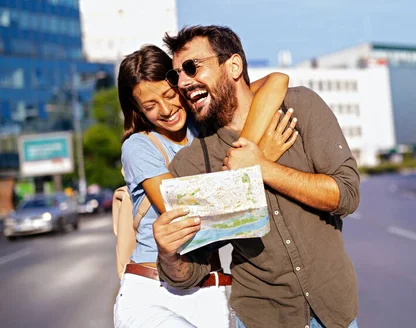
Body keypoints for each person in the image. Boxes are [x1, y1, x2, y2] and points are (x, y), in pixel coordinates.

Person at [153, 25, 360, 328]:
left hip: (334, 310)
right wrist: (169, 254)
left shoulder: (300, 106)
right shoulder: (191, 165)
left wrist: (263, 168)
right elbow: (191, 272)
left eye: (191, 67)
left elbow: (347, 195)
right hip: (262, 318)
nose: (183, 82)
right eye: (176, 75)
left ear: (233, 66)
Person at [114, 44, 296, 327]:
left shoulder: (204, 124)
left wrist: (244, 157)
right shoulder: (140, 147)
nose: (165, 110)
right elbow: (190, 218)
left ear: (179, 82)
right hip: (155, 291)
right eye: (150, 106)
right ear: (137, 109)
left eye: (169, 94)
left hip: (213, 292)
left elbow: (277, 81)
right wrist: (258, 163)